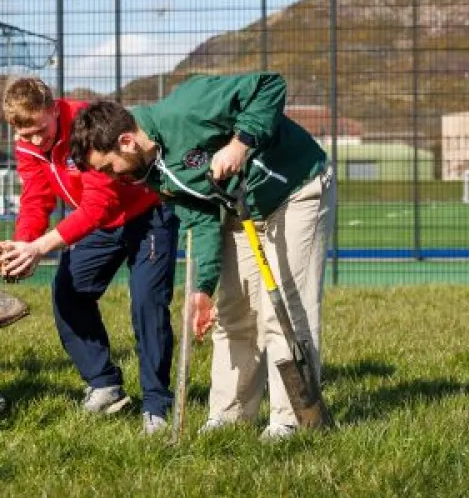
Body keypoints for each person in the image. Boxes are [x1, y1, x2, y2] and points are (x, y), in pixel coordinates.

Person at [69, 71, 333, 441]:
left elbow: (269, 85)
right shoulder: (149, 172)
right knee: (234, 315)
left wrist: (240, 144)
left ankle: (289, 419)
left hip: (295, 190)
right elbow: (202, 218)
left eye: (108, 167)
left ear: (126, 141)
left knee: (284, 312)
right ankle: (228, 417)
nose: (112, 177)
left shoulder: (188, 107)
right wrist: (203, 288)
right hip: (240, 210)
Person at [0, 76, 179, 435]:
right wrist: (22, 245)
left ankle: (157, 404)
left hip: (146, 215)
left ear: (53, 108)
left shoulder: (86, 125)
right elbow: (36, 198)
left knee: (147, 303)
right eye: (24, 134)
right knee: (68, 293)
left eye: (40, 130)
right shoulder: (28, 145)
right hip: (100, 223)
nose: (34, 140)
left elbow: (99, 204)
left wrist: (40, 247)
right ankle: (105, 384)